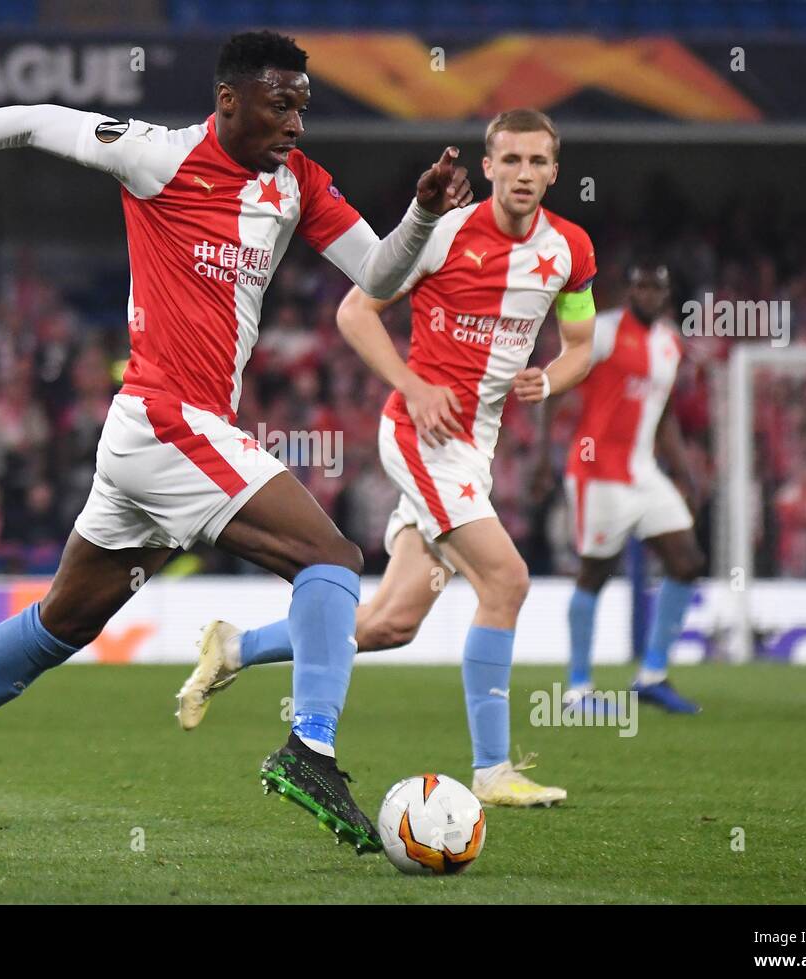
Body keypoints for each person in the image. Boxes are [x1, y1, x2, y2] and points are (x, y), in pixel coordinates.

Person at [0, 30, 471, 854]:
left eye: (303, 105)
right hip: (168, 420)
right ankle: (311, 746)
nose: (297, 123)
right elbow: (31, 118)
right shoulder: (157, 158)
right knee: (332, 560)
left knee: (64, 621)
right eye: (281, 103)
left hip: (161, 437)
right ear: (229, 100)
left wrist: (419, 215)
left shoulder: (298, 183)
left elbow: (378, 277)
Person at [178, 109, 596, 808]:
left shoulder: (571, 250)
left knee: (389, 624)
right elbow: (353, 312)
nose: (524, 173)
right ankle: (492, 770)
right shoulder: (443, 236)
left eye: (538, 162)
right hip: (421, 436)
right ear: (488, 167)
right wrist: (413, 383)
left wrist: (550, 378)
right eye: (511, 160)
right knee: (507, 580)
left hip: (474, 448)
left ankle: (235, 647)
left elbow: (581, 345)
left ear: (555, 171)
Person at [541, 261, 706, 714]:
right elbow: (554, 385)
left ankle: (652, 675)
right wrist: (542, 457)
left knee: (687, 561)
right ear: (630, 291)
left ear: (667, 295)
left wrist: (684, 471)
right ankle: (577, 690)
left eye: (657, 287)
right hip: (597, 471)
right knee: (596, 572)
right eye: (641, 287)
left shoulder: (671, 343)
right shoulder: (607, 331)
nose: (649, 295)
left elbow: (665, 413)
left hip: (643, 471)